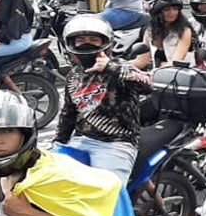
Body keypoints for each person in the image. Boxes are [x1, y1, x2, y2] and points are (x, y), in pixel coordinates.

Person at [56, 14, 153, 183]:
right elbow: (68, 113)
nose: (87, 44)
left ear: (105, 43)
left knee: (106, 196)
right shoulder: (74, 75)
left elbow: (148, 84)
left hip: (115, 144)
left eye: (93, 39)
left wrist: (110, 68)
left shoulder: (119, 66)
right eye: (81, 40)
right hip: (79, 141)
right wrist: (58, 142)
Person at [136, 0, 194, 69]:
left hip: (184, 79)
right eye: (167, 9)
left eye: (175, 8)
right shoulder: (150, 32)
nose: (172, 13)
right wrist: (115, 65)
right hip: (158, 80)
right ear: (156, 11)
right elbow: (141, 61)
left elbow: (176, 63)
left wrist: (156, 69)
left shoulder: (184, 31)